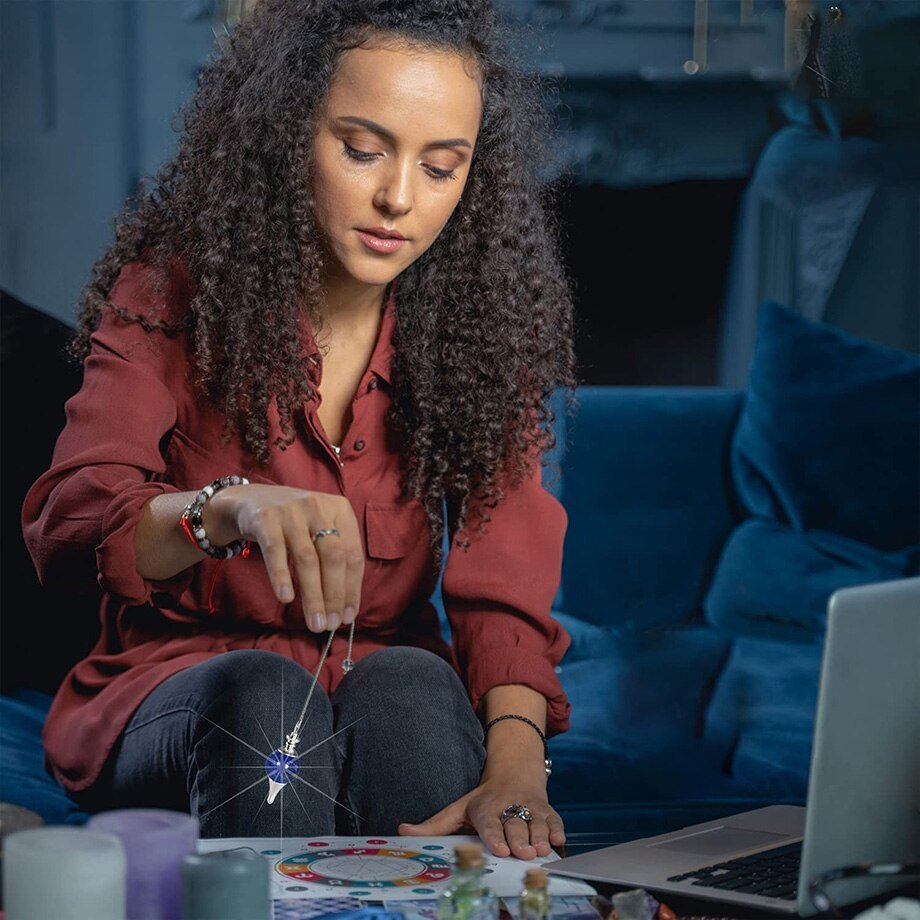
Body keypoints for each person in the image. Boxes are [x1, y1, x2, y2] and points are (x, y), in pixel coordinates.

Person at [22, 0, 578, 860]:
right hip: (184, 691)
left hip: (379, 692)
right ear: (287, 133)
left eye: (441, 168)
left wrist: (517, 769)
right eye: (362, 150)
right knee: (269, 701)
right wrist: (223, 509)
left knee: (414, 691)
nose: (398, 197)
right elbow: (69, 525)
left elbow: (502, 594)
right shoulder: (172, 292)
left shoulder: (479, 332)